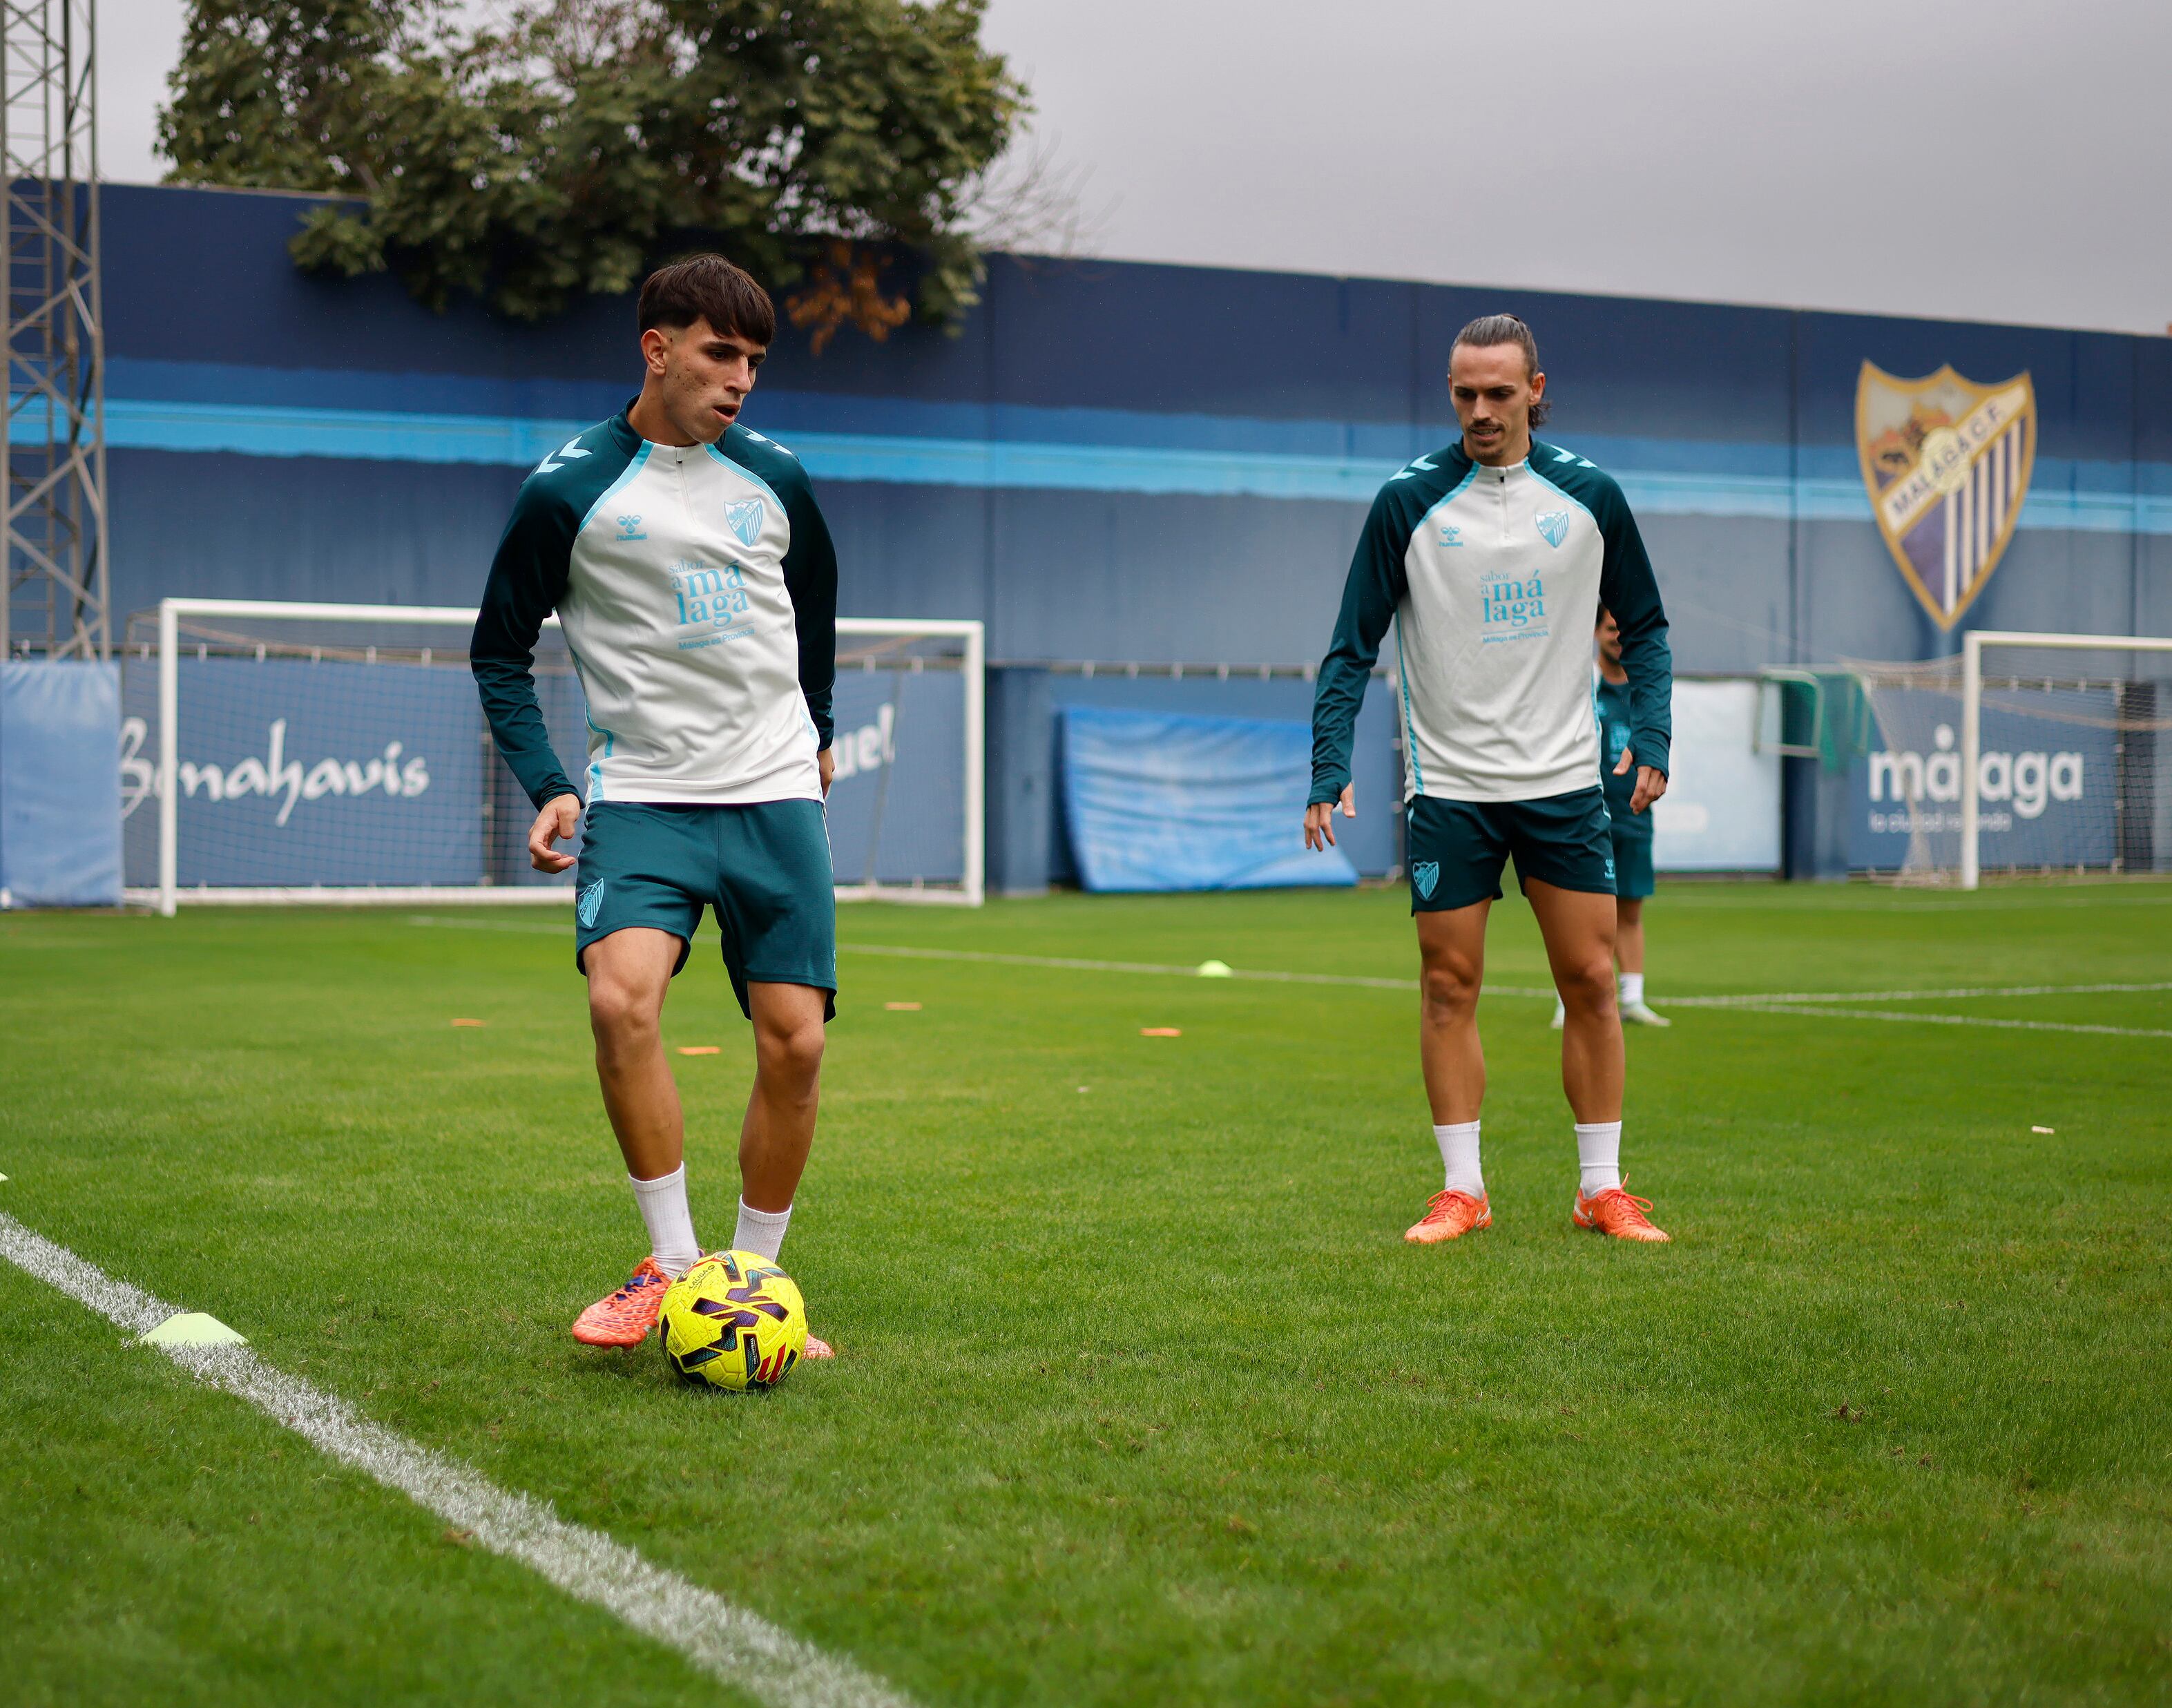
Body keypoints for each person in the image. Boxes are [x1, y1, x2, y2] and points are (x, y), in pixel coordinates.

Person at [471, 253, 842, 1351]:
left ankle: (753, 1282)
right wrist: (550, 784)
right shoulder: (567, 490)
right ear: (658, 349)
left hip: (773, 793)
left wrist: (818, 732)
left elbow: (815, 616)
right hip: (644, 798)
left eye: (754, 362)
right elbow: (498, 652)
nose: (740, 380)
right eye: (721, 354)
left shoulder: (779, 479)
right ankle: (674, 1265)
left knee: (796, 1045)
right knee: (619, 1003)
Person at [1306, 313, 1674, 1245]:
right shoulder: (1407, 502)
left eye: (1499, 393)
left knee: (1590, 979)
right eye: (1464, 393)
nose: (1480, 409)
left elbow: (1645, 625)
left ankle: (1601, 1189)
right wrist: (1329, 762)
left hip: (1562, 781)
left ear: (1534, 392)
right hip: (1450, 785)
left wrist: (1654, 735)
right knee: (1447, 983)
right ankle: (1461, 1189)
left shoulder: (1591, 496)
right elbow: (1351, 645)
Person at [1553, 606, 1671, 1029]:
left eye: (1623, 629)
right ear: (1595, 632)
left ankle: (1633, 999)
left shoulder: (1644, 693)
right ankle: (1568, 1000)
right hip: (1585, 820)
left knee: (1631, 911)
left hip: (1634, 817)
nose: (1617, 636)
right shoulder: (1582, 686)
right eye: (1610, 628)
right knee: (1577, 914)